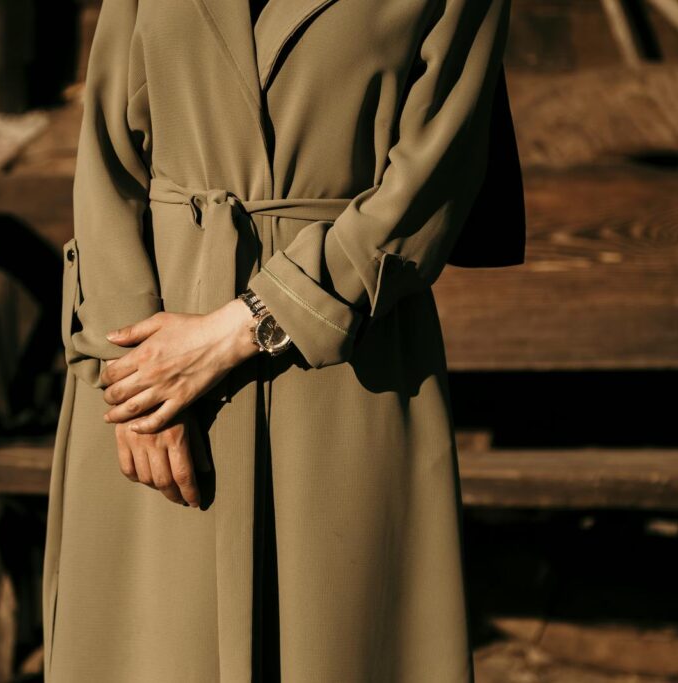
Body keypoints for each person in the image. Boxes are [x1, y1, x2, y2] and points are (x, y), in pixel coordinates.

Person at [43, 0, 517, 680]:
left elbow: (431, 182)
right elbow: (107, 150)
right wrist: (131, 373)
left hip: (342, 373)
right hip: (151, 372)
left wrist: (245, 325)